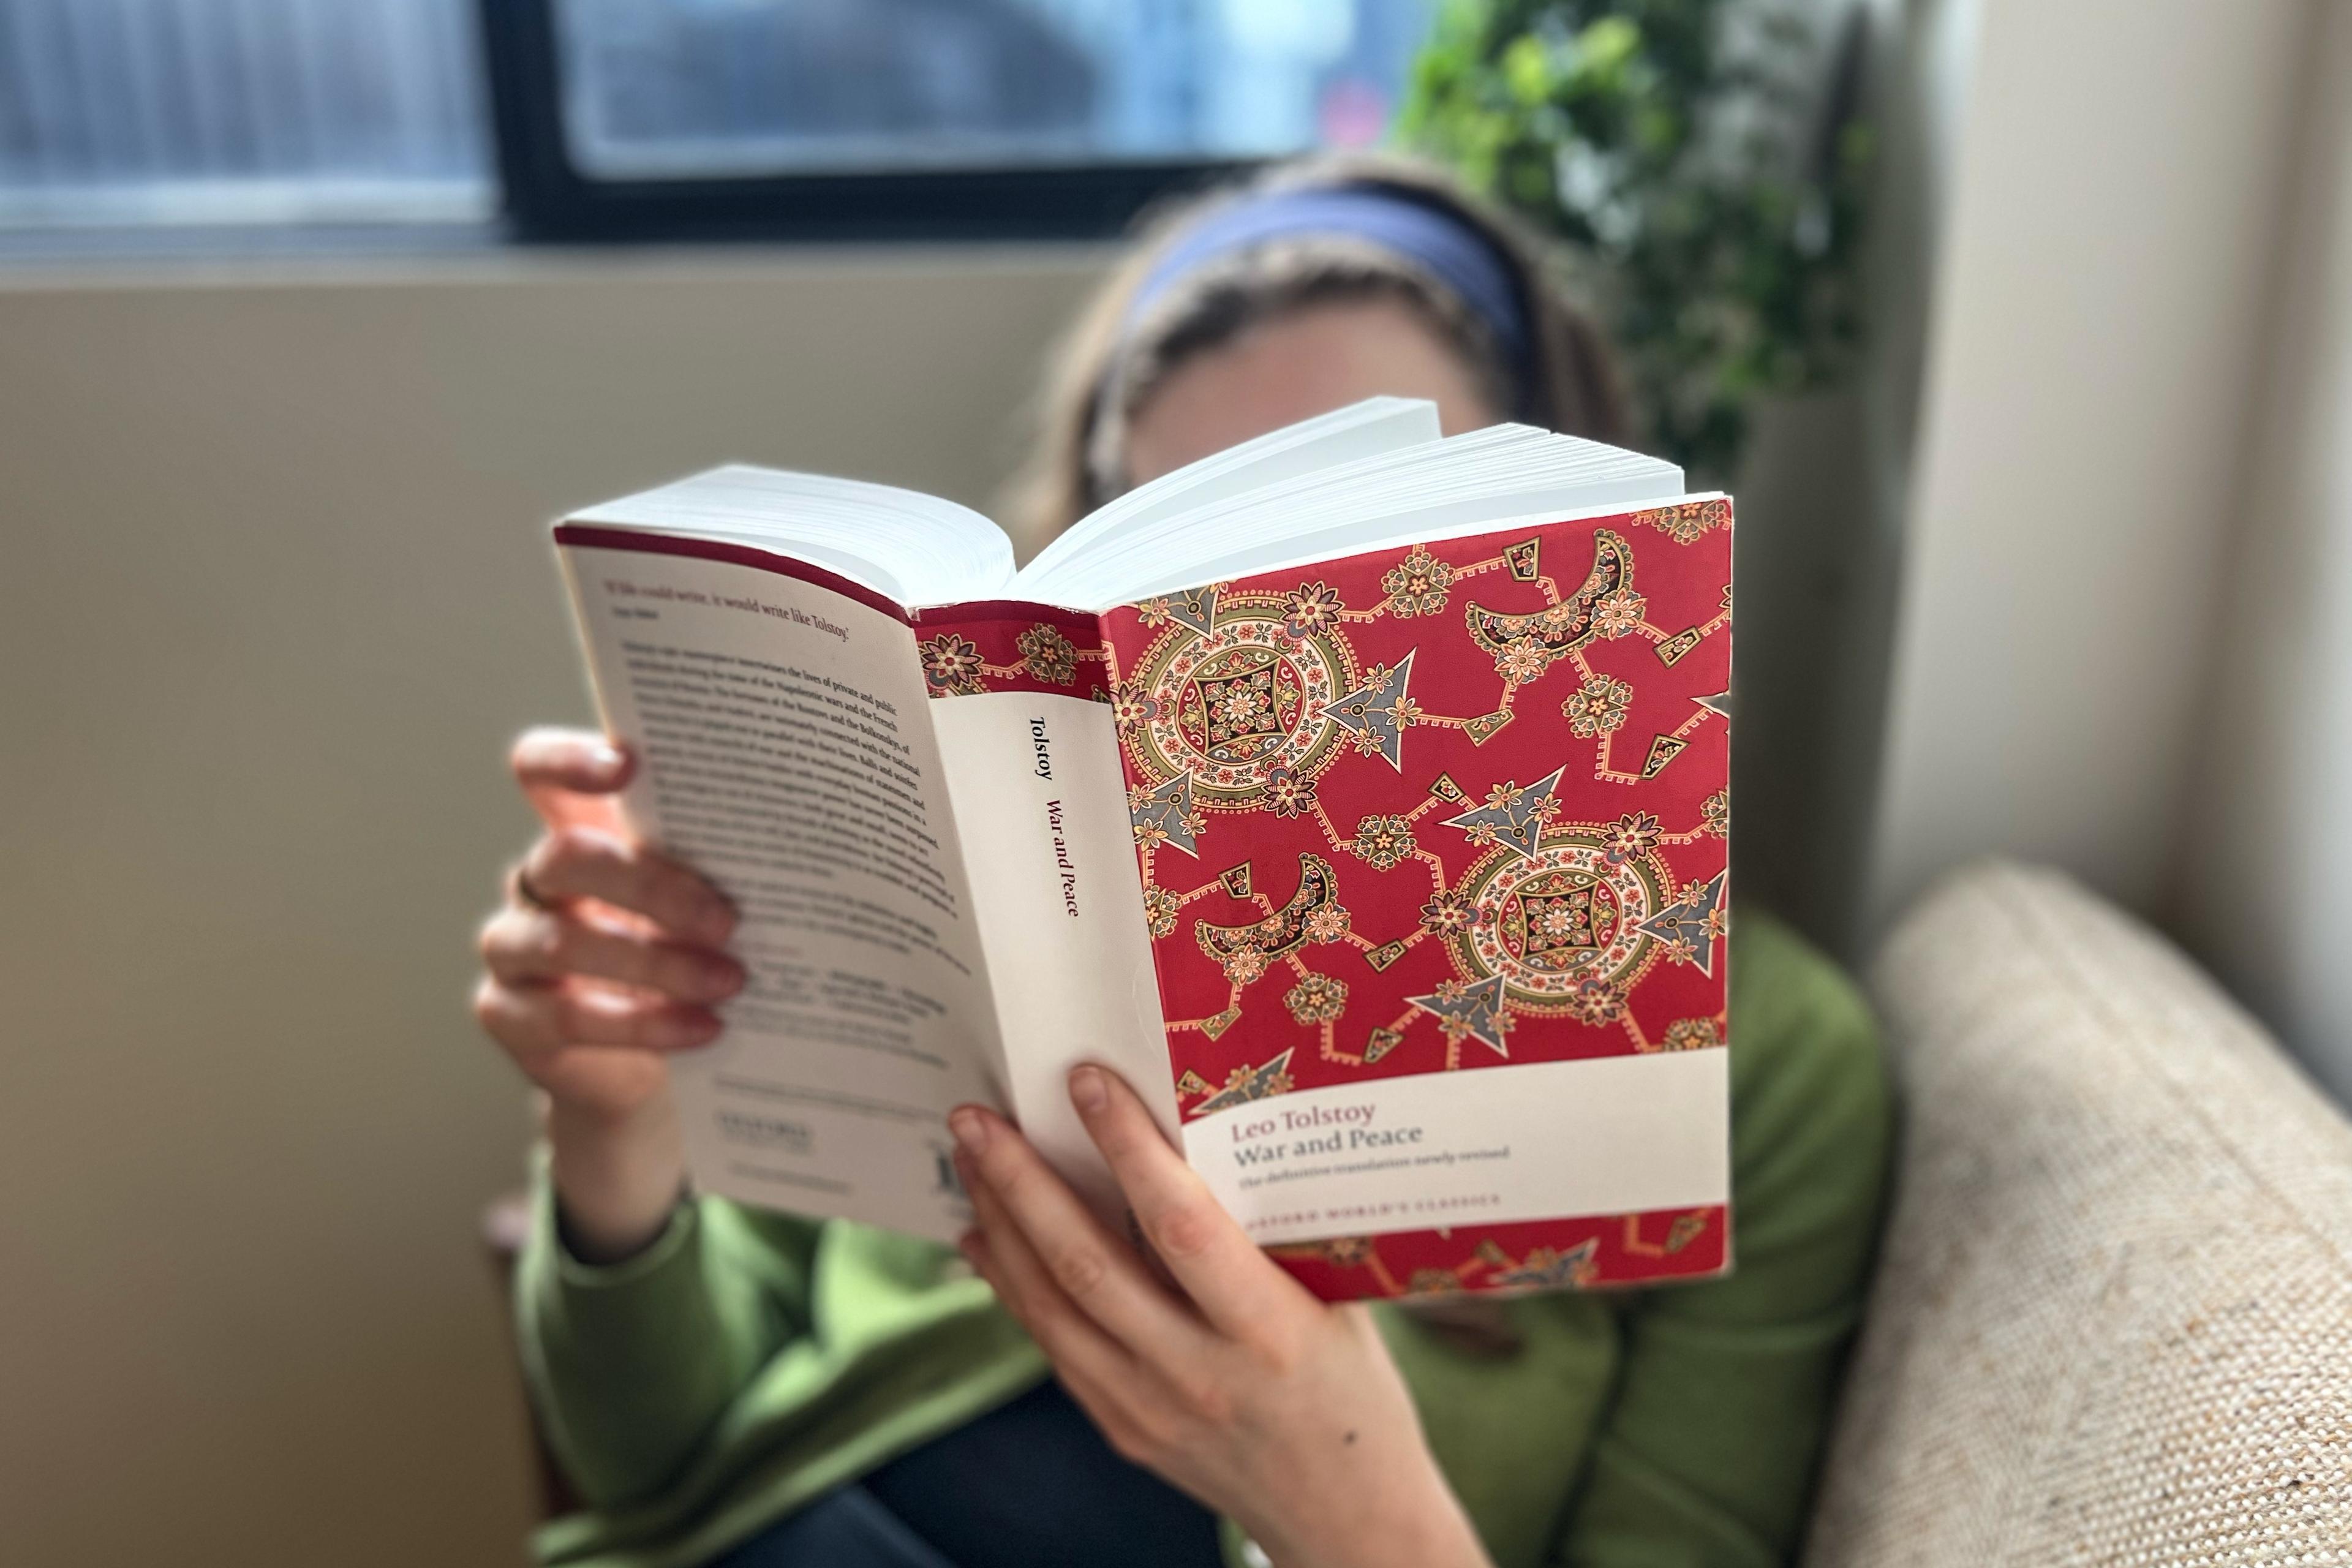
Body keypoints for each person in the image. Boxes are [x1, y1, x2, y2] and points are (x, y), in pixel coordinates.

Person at [475, 155, 1891, 1568]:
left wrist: (1345, 1503)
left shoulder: (1764, 1065)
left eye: (1360, 534)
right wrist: (617, 1124)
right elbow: (649, 1462)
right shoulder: (955, 893)